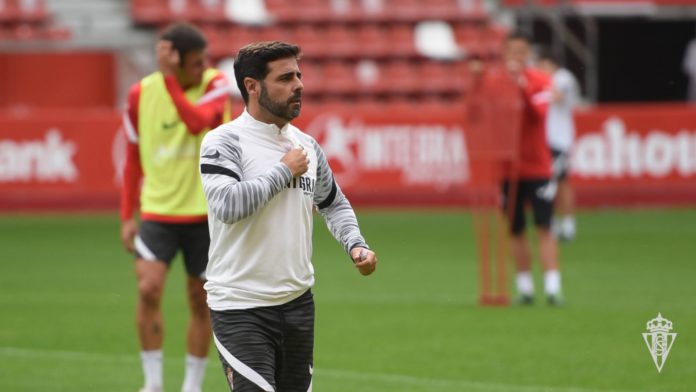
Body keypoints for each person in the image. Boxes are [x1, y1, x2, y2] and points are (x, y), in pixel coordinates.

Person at [199, 41, 378, 391]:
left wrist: (356, 245)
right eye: (284, 78)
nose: (298, 85)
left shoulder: (306, 145)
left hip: (298, 305)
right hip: (240, 307)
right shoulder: (224, 142)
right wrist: (284, 171)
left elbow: (334, 203)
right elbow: (228, 206)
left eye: (298, 75)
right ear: (252, 86)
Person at [120, 23, 233, 392]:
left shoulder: (216, 84)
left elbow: (195, 122)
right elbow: (133, 157)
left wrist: (170, 79)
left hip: (205, 212)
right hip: (157, 212)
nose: (202, 68)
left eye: (204, 61)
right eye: (195, 62)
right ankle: (152, 384)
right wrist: (126, 216)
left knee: (201, 301)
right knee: (148, 289)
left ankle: (191, 386)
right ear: (177, 60)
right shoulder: (139, 94)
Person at [501, 33, 563, 305]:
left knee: (544, 226)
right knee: (515, 228)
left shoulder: (540, 81)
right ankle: (525, 288)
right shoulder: (497, 84)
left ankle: (552, 287)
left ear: (528, 54)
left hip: (537, 167)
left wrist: (521, 86)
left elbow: (538, 114)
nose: (516, 56)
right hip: (507, 168)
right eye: (511, 51)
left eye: (521, 51)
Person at [538, 48, 579, 242]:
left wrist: (542, 84)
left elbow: (559, 98)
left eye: (544, 65)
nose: (541, 69)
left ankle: (568, 223)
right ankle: (551, 221)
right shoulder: (544, 80)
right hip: (544, 139)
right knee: (546, 182)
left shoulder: (563, 78)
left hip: (560, 140)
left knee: (561, 181)